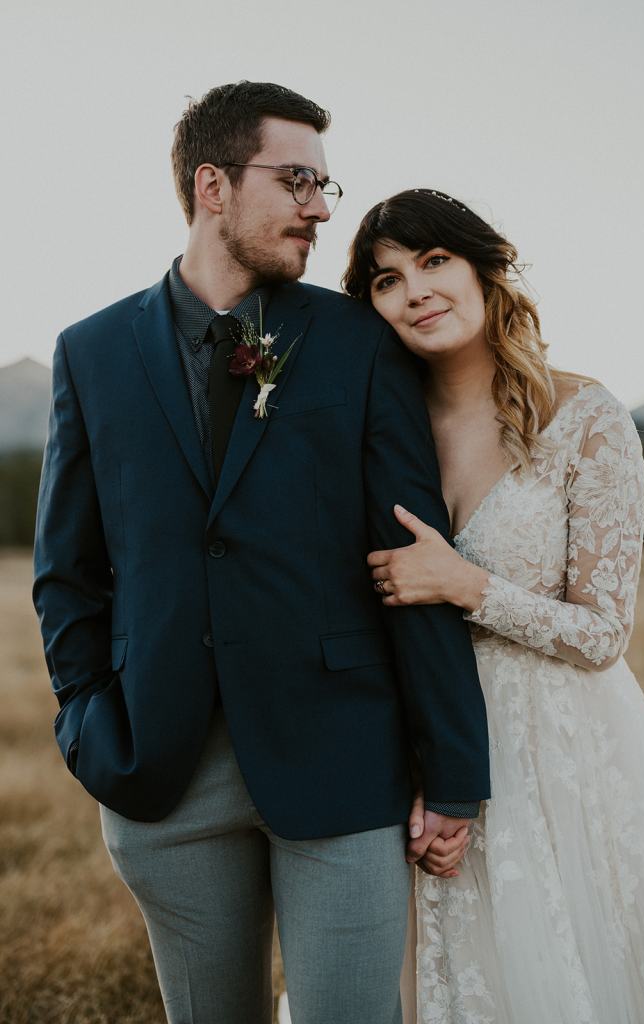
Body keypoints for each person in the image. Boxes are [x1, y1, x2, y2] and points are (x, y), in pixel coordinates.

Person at [32, 88, 490, 1024]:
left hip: (345, 765)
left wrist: (452, 772)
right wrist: (87, 721)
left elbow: (415, 559)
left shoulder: (360, 343)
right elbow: (67, 570)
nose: (322, 206)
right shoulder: (91, 353)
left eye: (323, 182)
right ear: (212, 185)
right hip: (163, 773)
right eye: (297, 180)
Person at [343, 188, 644, 1024]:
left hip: (560, 762)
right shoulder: (382, 429)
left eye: (432, 262)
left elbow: (602, 633)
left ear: (485, 269)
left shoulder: (586, 416)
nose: (414, 290)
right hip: (423, 748)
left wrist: (466, 586)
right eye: (386, 280)